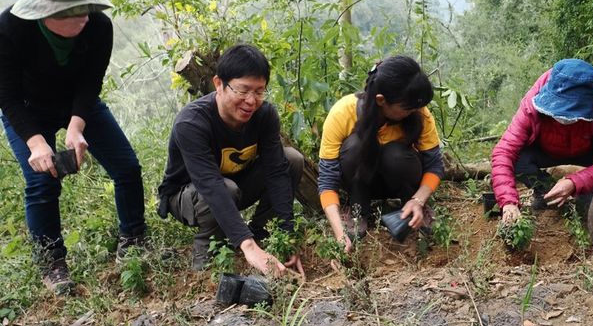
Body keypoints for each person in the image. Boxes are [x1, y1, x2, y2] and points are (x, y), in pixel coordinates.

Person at [0, 0, 147, 294]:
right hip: (26, 108)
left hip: (78, 103)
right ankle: (52, 264)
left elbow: (90, 82)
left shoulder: (98, 26)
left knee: (126, 167)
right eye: (69, 13)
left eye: (83, 8)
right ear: (44, 13)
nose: (81, 17)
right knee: (42, 183)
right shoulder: (9, 30)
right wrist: (36, 142)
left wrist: (76, 125)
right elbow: (5, 95)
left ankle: (134, 238)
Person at [157, 43, 304, 277]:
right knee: (225, 188)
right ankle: (207, 253)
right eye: (243, 90)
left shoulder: (264, 115)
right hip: (188, 195)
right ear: (219, 84)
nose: (251, 100)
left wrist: (287, 235)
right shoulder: (192, 123)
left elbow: (276, 172)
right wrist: (246, 245)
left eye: (259, 91)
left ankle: (261, 234)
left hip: (234, 187)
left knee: (291, 159)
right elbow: (210, 185)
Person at [491, 59, 593, 224]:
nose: (564, 119)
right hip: (545, 151)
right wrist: (508, 202)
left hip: (587, 151)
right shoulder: (532, 102)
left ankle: (588, 193)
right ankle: (546, 193)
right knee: (517, 156)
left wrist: (576, 182)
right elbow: (504, 152)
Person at [318, 55, 444, 250]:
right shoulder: (343, 112)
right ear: (381, 100)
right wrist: (339, 232)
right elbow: (327, 179)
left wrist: (418, 199)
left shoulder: (418, 112)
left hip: (399, 180)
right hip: (359, 182)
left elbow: (434, 164)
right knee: (356, 145)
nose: (414, 111)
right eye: (407, 108)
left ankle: (410, 205)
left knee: (395, 154)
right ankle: (358, 210)